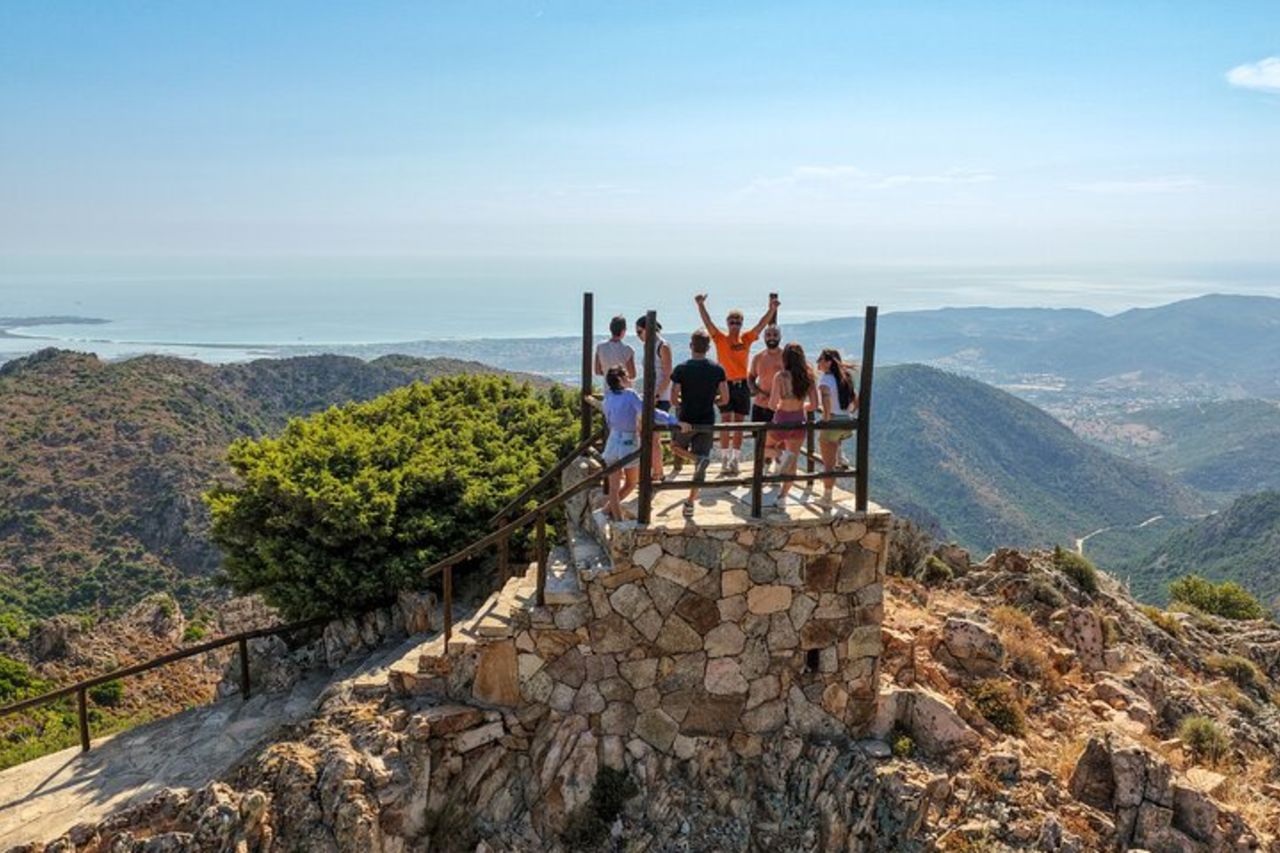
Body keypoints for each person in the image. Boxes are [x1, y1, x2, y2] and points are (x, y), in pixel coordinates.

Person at [694, 292, 779, 474]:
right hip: (725, 385)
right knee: (725, 423)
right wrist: (701, 305)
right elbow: (708, 323)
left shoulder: (746, 339)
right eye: (732, 322)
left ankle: (735, 459)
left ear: (741, 324)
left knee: (739, 424)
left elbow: (761, 325)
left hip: (742, 386)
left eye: (738, 322)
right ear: (727, 323)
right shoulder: (720, 339)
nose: (735, 325)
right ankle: (725, 459)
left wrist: (771, 309)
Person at [602, 366, 689, 520]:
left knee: (614, 487)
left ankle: (612, 514)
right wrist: (674, 421)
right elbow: (650, 412)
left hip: (612, 440)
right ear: (621, 379)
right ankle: (617, 519)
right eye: (628, 376)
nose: (630, 379)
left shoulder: (607, 397)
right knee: (631, 482)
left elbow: (609, 421)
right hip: (628, 441)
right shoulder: (630, 395)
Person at [669, 329, 729, 519]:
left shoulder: (681, 369)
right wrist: (714, 401)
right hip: (707, 421)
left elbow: (673, 398)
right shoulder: (717, 369)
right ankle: (690, 503)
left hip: (687, 418)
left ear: (691, 346)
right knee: (702, 462)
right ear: (708, 348)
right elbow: (725, 398)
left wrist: (680, 407)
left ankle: (694, 459)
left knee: (675, 446)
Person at [766, 343, 819, 508]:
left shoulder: (780, 377)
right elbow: (815, 404)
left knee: (764, 447)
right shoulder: (809, 377)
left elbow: (772, 404)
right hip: (799, 421)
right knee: (793, 462)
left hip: (782, 419)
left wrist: (782, 404)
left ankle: (780, 455)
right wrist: (801, 406)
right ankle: (782, 498)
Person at [816, 349, 858, 504]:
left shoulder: (825, 380)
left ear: (828, 362)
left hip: (832, 422)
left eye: (820, 360)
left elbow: (826, 400)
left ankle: (827, 497)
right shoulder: (845, 378)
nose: (817, 363)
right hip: (846, 422)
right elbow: (856, 399)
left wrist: (826, 418)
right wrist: (850, 412)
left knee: (828, 464)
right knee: (835, 443)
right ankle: (841, 455)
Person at [635, 315, 674, 481]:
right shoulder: (649, 346)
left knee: (654, 435)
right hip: (651, 396)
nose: (638, 336)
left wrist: (656, 395)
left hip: (660, 397)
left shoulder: (662, 346)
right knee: (645, 432)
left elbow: (667, 375)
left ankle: (658, 472)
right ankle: (653, 469)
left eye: (639, 331)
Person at [747, 323, 784, 471]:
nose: (772, 338)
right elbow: (750, 377)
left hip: (779, 406)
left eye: (775, 335)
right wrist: (755, 390)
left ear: (780, 337)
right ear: (764, 337)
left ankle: (777, 470)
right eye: (768, 335)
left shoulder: (785, 357)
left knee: (777, 439)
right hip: (760, 405)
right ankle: (763, 469)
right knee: (759, 438)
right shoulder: (758, 357)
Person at [594, 315, 636, 380]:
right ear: (623, 331)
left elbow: (597, 371)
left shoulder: (600, 347)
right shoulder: (628, 350)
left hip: (607, 387)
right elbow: (632, 374)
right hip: (623, 387)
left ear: (610, 328)